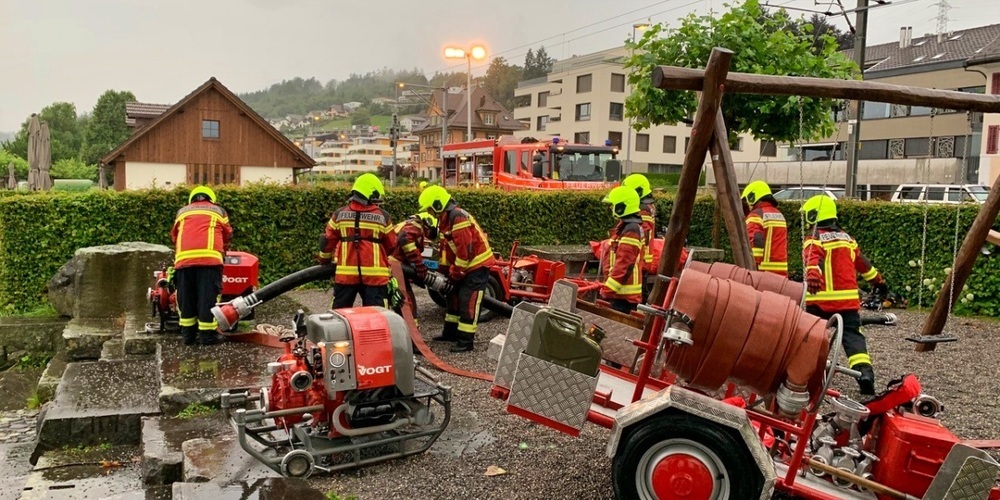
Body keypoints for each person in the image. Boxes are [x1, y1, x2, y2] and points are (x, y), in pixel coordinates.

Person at [800, 195, 888, 396]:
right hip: (847, 302)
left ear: (814, 215)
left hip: (819, 300)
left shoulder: (814, 238)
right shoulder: (848, 239)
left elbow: (814, 259)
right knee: (853, 338)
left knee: (812, 338)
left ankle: (806, 376)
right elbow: (863, 264)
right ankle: (865, 375)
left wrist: (813, 275)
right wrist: (879, 282)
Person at [419, 185, 496, 353]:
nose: (430, 214)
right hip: (465, 266)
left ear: (438, 205)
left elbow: (465, 252)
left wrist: (454, 274)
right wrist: (443, 272)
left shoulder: (457, 217)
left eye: (431, 210)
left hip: (476, 266)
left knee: (467, 301)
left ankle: (465, 341)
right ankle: (450, 333)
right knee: (452, 298)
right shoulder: (446, 220)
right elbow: (447, 251)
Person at [318, 173, 396, 309]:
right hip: (375, 277)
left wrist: (324, 261)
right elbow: (391, 245)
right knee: (376, 317)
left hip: (346, 275)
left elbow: (327, 242)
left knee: (339, 316)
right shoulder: (383, 216)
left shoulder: (339, 215)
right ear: (371, 194)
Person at [171, 186, 233, 346]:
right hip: (210, 261)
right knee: (207, 297)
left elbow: (174, 235)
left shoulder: (182, 212)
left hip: (184, 261)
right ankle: (207, 336)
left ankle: (188, 336)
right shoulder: (219, 211)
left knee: (186, 298)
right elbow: (228, 234)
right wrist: (223, 250)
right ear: (211, 198)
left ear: (192, 199)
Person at [599, 186, 645, 314]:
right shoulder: (628, 227)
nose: (611, 208)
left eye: (613, 205)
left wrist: (607, 289)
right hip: (621, 294)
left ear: (622, 206)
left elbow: (624, 264)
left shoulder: (631, 230)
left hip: (623, 298)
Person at [741, 180, 788, 276]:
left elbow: (756, 242)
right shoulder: (779, 215)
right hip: (781, 273)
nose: (747, 206)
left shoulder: (756, 216)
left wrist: (752, 268)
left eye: (746, 202)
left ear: (752, 198)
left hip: (763, 273)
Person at [622, 173, 657, 301]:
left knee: (639, 295)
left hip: (640, 259)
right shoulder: (648, 207)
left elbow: (642, 234)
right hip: (644, 258)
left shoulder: (642, 209)